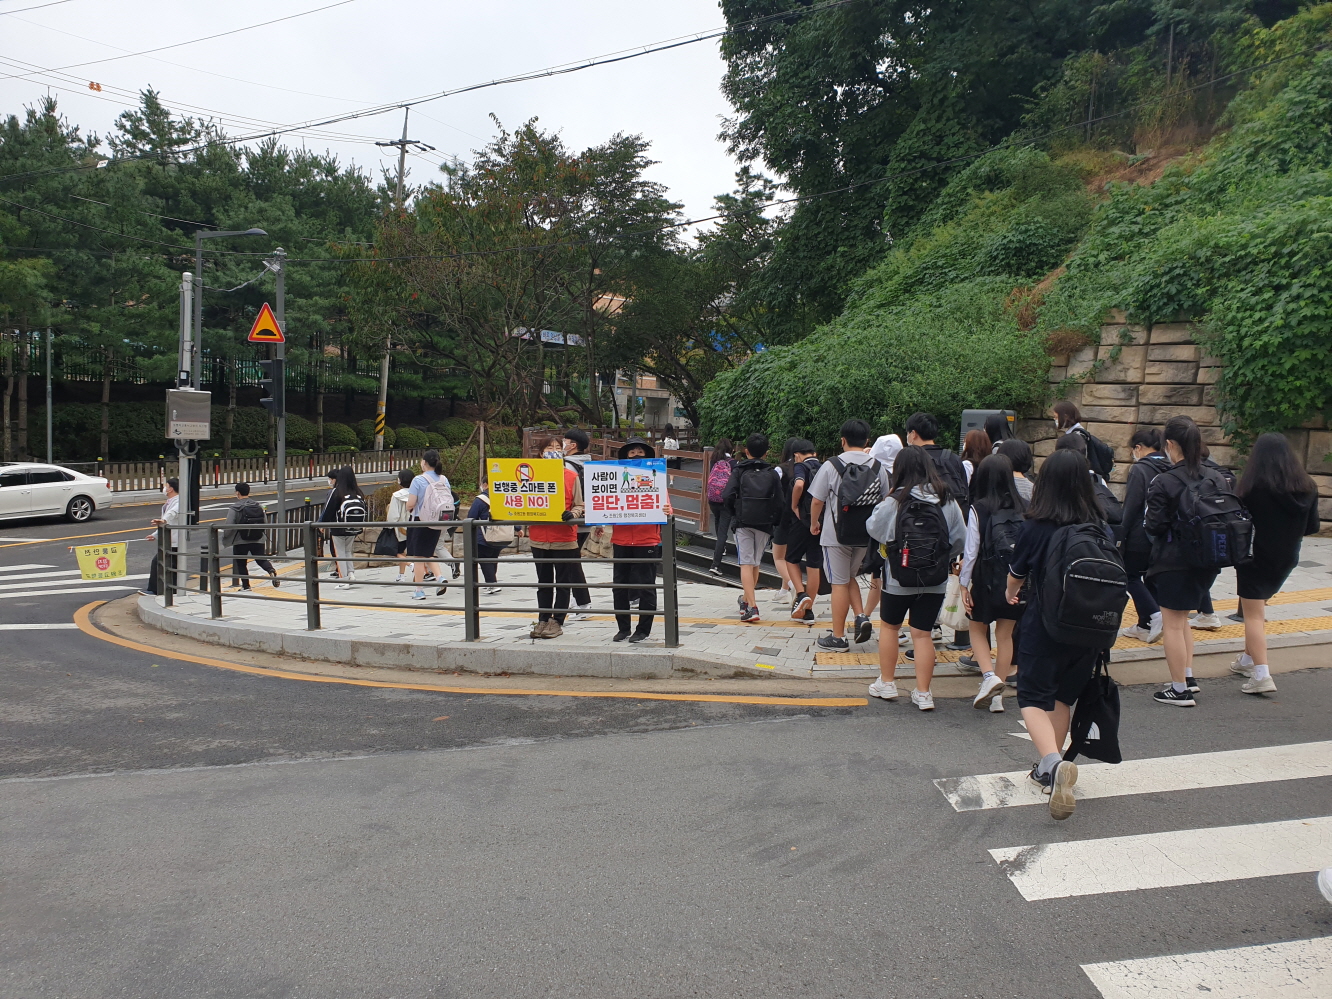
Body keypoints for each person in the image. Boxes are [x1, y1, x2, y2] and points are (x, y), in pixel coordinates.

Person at [1004, 449, 1109, 820]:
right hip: (1089, 628)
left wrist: (1010, 592)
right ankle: (1053, 766)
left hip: (1045, 625)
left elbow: (1017, 571)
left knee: (1032, 697)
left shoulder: (1037, 524)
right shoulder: (1099, 524)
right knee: (1063, 696)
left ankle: (1051, 763)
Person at [865, 446, 966, 710]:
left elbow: (873, 528)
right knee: (922, 635)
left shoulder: (896, 499)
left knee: (890, 627)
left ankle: (887, 683)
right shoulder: (947, 499)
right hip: (935, 578)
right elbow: (959, 540)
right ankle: (923, 693)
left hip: (899, 576)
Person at [1144, 416, 1229, 706]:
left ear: (1169, 444)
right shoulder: (1215, 477)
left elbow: (1153, 525)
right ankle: (1188, 676)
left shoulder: (1164, 481)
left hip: (1172, 561)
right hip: (1207, 560)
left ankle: (1179, 689)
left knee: (1173, 623)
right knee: (1183, 621)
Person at [1230, 433, 1321, 694]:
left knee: (1253, 617)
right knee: (1257, 609)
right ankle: (1248, 659)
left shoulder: (1250, 487)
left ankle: (1262, 675)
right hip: (1287, 558)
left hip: (1253, 557)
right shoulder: (1307, 486)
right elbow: (1312, 527)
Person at [808, 419, 891, 651]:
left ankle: (838, 637)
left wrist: (814, 523)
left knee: (839, 583)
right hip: (865, 536)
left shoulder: (831, 465)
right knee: (849, 576)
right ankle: (861, 616)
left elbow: (817, 500)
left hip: (836, 536)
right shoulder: (878, 467)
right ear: (867, 441)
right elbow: (886, 501)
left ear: (842, 440)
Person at [959, 455, 1028, 711]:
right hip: (1014, 581)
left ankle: (989, 678)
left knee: (977, 629)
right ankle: (997, 699)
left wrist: (964, 585)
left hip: (985, 579)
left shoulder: (979, 507)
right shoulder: (1025, 506)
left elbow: (971, 551)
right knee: (1005, 634)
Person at [612, 438, 672, 642]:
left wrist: (666, 510)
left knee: (646, 587)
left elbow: (668, 508)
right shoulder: (614, 479)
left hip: (647, 540)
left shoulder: (656, 479)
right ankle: (623, 627)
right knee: (619, 586)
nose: (637, 456)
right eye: (632, 453)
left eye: (640, 453)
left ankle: (643, 630)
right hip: (620, 539)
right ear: (625, 457)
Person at [721, 433, 783, 623]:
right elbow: (780, 501)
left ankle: (752, 606)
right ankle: (747, 602)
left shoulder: (739, 471)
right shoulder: (772, 473)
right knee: (755, 563)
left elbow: (727, 495)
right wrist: (774, 520)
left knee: (745, 563)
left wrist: (735, 513)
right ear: (766, 453)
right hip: (765, 523)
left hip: (743, 522)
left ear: (746, 451)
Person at [1116, 429, 1170, 644]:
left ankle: (1156, 617)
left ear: (1139, 448)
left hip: (1139, 534)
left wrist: (1121, 535)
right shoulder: (1170, 466)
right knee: (1151, 579)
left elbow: (1132, 505)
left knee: (1129, 576)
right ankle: (1143, 624)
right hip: (1161, 534)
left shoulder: (1140, 469)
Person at [528, 457, 585, 639]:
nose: (551, 453)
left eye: (555, 448)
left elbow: (579, 504)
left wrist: (573, 514)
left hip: (564, 537)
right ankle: (543, 619)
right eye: (547, 449)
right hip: (538, 538)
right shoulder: (531, 476)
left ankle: (557, 621)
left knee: (562, 582)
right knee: (543, 582)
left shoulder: (570, 476)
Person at [406, 450, 452, 601]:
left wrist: (408, 506)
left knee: (419, 556)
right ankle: (439, 578)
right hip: (438, 520)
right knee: (428, 553)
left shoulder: (418, 480)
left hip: (421, 520)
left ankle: (419, 591)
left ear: (424, 463)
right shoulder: (444, 479)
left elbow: (411, 504)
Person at [783, 439, 822, 621]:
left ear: (797, 455)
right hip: (820, 522)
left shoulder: (802, 467)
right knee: (814, 565)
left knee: (791, 559)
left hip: (802, 520)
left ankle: (800, 594)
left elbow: (798, 485)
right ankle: (808, 611)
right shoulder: (825, 466)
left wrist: (794, 505)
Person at [905, 412, 970, 513]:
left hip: (921, 520)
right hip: (953, 517)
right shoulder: (953, 458)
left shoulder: (911, 459)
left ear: (913, 434)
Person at [561, 428, 594, 618]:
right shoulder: (588, 463)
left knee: (571, 560)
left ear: (573, 445)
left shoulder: (567, 466)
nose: (562, 445)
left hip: (571, 518)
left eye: (564, 442)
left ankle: (583, 603)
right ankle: (578, 599)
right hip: (586, 517)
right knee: (571, 559)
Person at [222, 482, 278, 590]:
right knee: (261, 559)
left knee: (241, 563)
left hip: (240, 540)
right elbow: (264, 522)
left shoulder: (235, 508)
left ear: (237, 493)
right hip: (257, 539)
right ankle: (270, 570)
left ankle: (246, 586)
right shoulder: (258, 506)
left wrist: (225, 537)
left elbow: (229, 525)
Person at [768, 437, 803, 606]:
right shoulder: (804, 468)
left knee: (779, 557)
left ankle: (794, 586)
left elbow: (771, 491)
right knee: (789, 556)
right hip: (801, 517)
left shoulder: (780, 469)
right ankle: (784, 592)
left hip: (783, 517)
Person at [320, 466, 365, 590]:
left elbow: (328, 510)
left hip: (338, 527)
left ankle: (343, 579)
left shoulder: (337, 491)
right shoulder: (358, 491)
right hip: (353, 528)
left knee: (339, 553)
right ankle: (351, 574)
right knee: (347, 551)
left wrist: (322, 524)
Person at [466, 477, 510, 595]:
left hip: (484, 535)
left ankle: (492, 583)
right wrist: (518, 528)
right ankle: (491, 581)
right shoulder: (502, 497)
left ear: (485, 484)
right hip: (500, 535)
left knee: (484, 559)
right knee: (492, 558)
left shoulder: (480, 500)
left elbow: (471, 516)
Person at [1053, 399, 1114, 479]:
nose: (1055, 420)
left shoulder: (1077, 437)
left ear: (1065, 416)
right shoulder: (1079, 434)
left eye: (1056, 417)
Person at [142, 477, 181, 596]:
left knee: (159, 562)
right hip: (168, 539)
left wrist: (163, 519)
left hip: (174, 540)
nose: (164, 488)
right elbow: (164, 523)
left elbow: (172, 514)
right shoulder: (169, 502)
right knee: (170, 565)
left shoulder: (179, 502)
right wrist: (155, 535)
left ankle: (154, 590)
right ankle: (172, 590)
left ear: (171, 489)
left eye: (166, 486)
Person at [706, 438, 737, 575]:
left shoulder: (713, 461)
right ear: (731, 450)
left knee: (718, 522)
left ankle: (722, 547)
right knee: (723, 532)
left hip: (712, 499)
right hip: (726, 500)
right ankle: (715, 564)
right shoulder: (734, 463)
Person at [386, 469, 414, 583]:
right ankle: (401, 575)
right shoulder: (416, 494)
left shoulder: (396, 496)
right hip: (415, 526)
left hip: (401, 529)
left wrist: (389, 526)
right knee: (419, 552)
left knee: (397, 551)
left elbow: (393, 515)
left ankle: (410, 565)